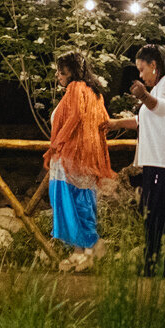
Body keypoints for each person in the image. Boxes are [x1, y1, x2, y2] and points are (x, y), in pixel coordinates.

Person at [104, 43, 165, 270]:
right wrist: (114, 123)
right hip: (161, 160)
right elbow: (143, 120)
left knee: (159, 213)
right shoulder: (160, 87)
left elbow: (162, 108)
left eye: (142, 69)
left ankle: (156, 264)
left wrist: (143, 95)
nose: (141, 75)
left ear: (154, 65)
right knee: (160, 213)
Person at [43, 51, 115, 257]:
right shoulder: (95, 92)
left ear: (70, 71)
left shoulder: (74, 88)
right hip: (86, 159)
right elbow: (103, 122)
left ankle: (85, 249)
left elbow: (74, 116)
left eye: (61, 71)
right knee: (83, 204)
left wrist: (56, 145)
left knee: (68, 204)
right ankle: (84, 253)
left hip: (70, 157)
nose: (58, 75)